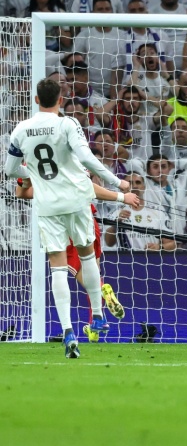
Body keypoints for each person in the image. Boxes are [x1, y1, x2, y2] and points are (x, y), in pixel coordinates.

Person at [4, 78, 131, 358]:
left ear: (36, 100)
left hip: (48, 206)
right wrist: (117, 183)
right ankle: (97, 316)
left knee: (58, 268)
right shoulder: (68, 124)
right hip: (76, 202)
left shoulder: (21, 130)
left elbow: (11, 170)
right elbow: (86, 158)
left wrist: (32, 173)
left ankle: (68, 332)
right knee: (88, 257)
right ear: (61, 100)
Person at [16, 177, 140, 341]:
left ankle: (76, 322)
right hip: (88, 220)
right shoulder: (76, 164)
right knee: (93, 272)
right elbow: (89, 186)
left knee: (71, 274)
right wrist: (121, 194)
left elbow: (22, 193)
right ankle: (95, 325)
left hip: (61, 224)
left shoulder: (45, 170)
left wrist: (24, 180)